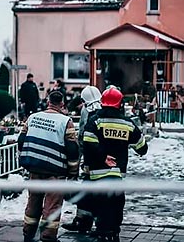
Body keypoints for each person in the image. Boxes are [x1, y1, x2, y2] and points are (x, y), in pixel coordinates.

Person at [83, 86, 148, 242]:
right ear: (120, 104)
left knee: (101, 204)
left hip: (97, 173)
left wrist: (102, 156)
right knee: (117, 203)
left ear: (103, 103)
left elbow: (88, 143)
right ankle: (114, 231)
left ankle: (102, 231)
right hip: (117, 173)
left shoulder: (95, 121)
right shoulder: (128, 124)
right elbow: (142, 148)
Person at [18, 91, 79, 242]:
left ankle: (28, 234)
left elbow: (21, 140)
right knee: (52, 206)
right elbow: (72, 149)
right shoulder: (66, 122)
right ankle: (47, 237)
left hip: (35, 168)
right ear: (62, 104)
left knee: (33, 201)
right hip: (55, 171)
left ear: (48, 102)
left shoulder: (32, 117)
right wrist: (72, 171)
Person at [62, 85, 102, 234]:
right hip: (106, 161)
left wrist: (79, 158)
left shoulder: (87, 111)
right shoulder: (106, 109)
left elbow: (82, 136)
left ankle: (82, 222)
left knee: (87, 191)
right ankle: (99, 224)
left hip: (90, 160)